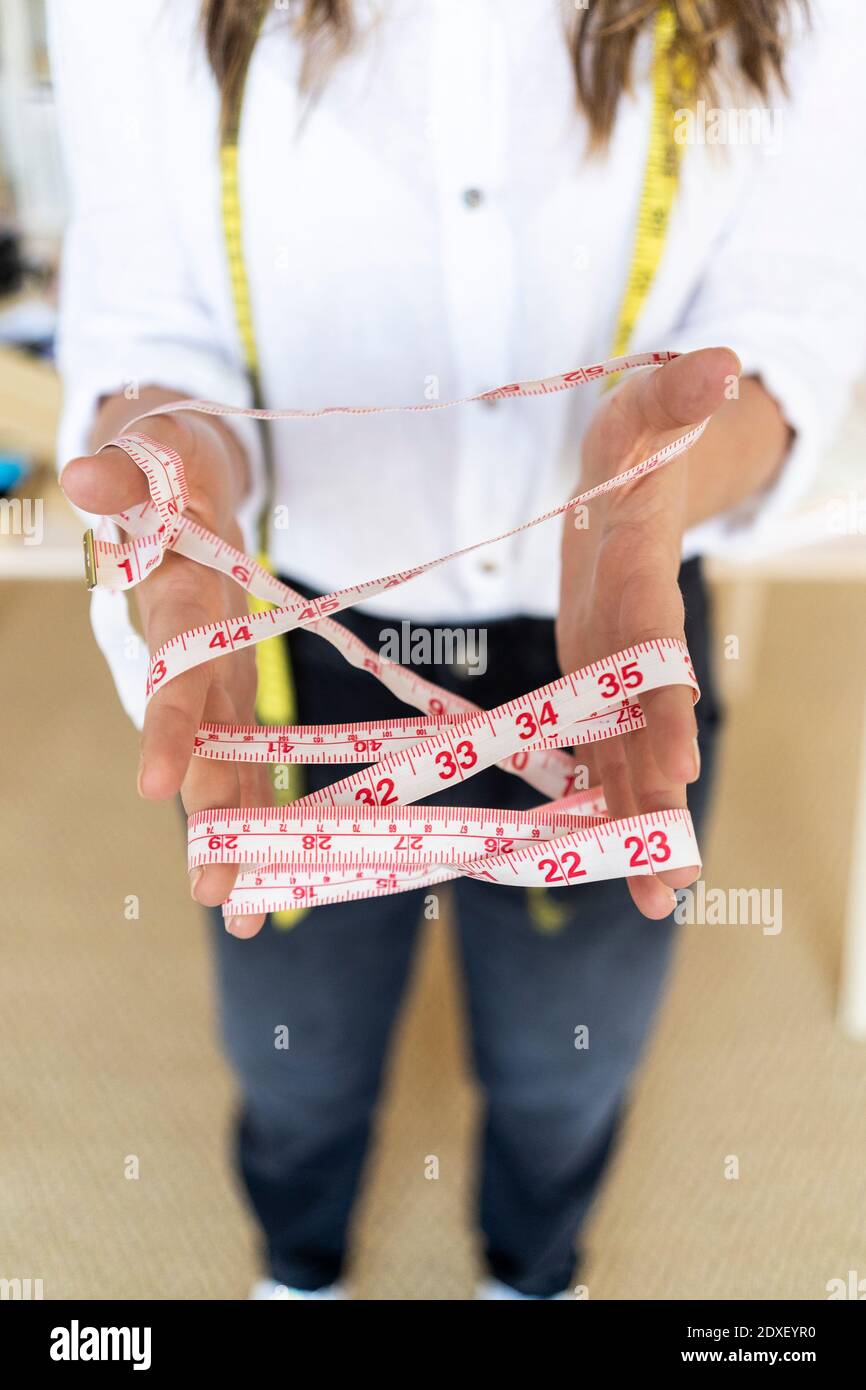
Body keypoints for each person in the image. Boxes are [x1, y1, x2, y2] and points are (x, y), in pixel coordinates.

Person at [49, 0, 865, 1299]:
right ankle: (300, 1265)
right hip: (282, 634)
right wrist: (172, 455)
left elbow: (794, 311)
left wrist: (658, 473)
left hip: (617, 619)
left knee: (571, 1054)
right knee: (291, 1052)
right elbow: (147, 312)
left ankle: (532, 1273)